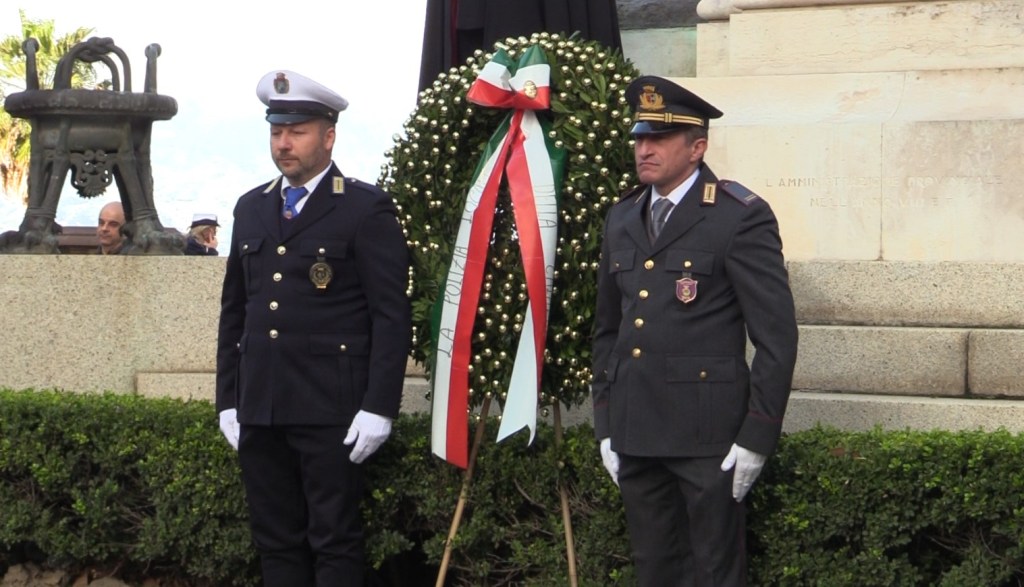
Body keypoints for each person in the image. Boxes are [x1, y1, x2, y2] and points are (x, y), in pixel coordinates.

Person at [591, 75, 799, 586]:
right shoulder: (622, 218)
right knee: (654, 569)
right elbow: (607, 330)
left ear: (697, 147)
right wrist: (606, 423)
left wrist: (757, 436)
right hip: (637, 430)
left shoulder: (736, 218)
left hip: (708, 438)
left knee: (714, 571)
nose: (644, 149)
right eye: (639, 138)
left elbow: (776, 337)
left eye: (658, 138)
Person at [215, 70, 412, 587]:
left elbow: (390, 316)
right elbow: (235, 311)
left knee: (334, 540)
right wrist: (228, 399)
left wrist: (379, 407)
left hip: (331, 408)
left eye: (297, 131)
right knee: (275, 540)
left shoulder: (364, 209)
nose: (284, 143)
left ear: (328, 136)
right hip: (262, 405)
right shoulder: (251, 207)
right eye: (277, 131)